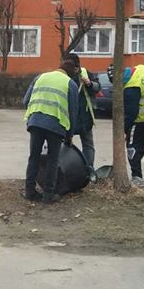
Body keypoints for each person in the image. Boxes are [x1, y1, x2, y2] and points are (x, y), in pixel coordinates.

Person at [23, 60, 79, 204]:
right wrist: (69, 135)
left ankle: (29, 191)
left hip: (35, 122)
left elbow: (26, 100)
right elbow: (73, 112)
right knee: (52, 160)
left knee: (33, 157)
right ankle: (48, 195)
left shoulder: (40, 77)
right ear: (72, 72)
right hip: (55, 125)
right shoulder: (70, 84)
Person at [68, 53, 101, 180]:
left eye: (76, 67)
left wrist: (89, 84)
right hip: (69, 117)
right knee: (65, 143)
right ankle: (66, 168)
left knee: (88, 145)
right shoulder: (64, 75)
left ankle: (88, 170)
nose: (75, 70)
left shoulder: (86, 73)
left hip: (85, 117)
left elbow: (98, 87)